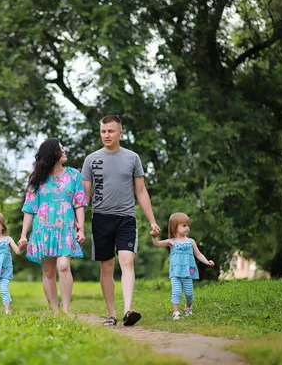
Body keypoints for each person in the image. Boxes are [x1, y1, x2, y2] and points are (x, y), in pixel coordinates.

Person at [81, 115, 161, 327]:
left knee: (127, 261)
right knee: (106, 267)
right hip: (100, 219)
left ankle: (128, 310)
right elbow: (84, 197)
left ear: (120, 133)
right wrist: (77, 224)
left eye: (111, 131)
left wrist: (152, 221)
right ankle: (111, 313)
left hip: (126, 218)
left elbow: (141, 191)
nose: (106, 135)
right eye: (103, 131)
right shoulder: (91, 160)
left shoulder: (132, 158)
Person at [18, 138, 86, 314]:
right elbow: (29, 207)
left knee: (63, 266)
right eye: (60, 149)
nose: (64, 151)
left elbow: (79, 203)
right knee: (48, 272)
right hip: (43, 229)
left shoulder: (74, 175)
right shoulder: (37, 178)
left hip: (66, 229)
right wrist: (24, 234)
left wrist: (81, 229)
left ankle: (66, 310)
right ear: (51, 154)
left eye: (63, 148)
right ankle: (55, 312)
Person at [150, 212, 215, 320]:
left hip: (188, 272)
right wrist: (154, 236)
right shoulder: (171, 242)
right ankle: (176, 313)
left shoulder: (191, 242)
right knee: (176, 291)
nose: (187, 228)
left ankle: (188, 308)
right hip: (176, 273)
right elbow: (157, 244)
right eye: (184, 226)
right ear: (174, 227)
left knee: (189, 294)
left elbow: (198, 254)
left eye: (188, 225)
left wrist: (206, 261)